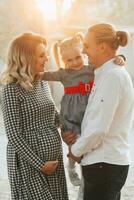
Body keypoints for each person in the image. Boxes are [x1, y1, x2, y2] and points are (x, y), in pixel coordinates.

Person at [40, 33, 125, 187]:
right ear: (63, 60)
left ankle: (85, 172)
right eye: (69, 60)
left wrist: (121, 58)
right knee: (73, 142)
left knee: (87, 144)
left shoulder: (92, 69)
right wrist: (27, 74)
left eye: (77, 57)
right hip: (70, 116)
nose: (74, 62)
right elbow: (45, 75)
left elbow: (109, 63)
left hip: (88, 113)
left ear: (83, 55)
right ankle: (71, 167)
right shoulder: (63, 74)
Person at [67, 23, 134, 200]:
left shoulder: (112, 76)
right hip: (104, 165)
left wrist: (75, 151)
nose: (83, 51)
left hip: (104, 166)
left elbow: (98, 128)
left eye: (87, 45)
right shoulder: (105, 73)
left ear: (102, 46)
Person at [1, 32, 68, 200]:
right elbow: (13, 135)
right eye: (41, 55)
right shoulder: (11, 89)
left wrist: (70, 127)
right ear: (26, 58)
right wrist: (40, 165)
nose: (47, 58)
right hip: (28, 164)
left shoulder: (42, 81)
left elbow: (53, 115)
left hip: (53, 161)